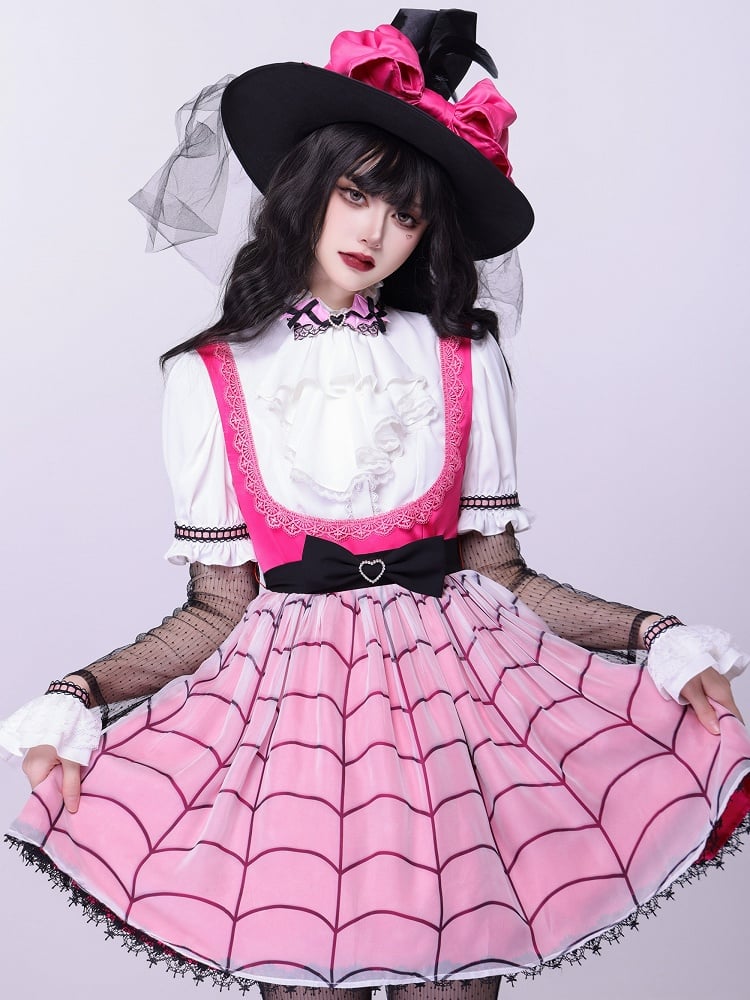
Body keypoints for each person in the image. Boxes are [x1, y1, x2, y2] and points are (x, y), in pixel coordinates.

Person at [1, 8, 749, 998]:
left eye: (406, 213)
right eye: (356, 193)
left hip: (454, 730)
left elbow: (500, 573)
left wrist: (658, 637)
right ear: (305, 187)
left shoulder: (462, 356)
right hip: (293, 746)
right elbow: (219, 608)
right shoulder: (210, 375)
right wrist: (80, 693)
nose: (374, 231)